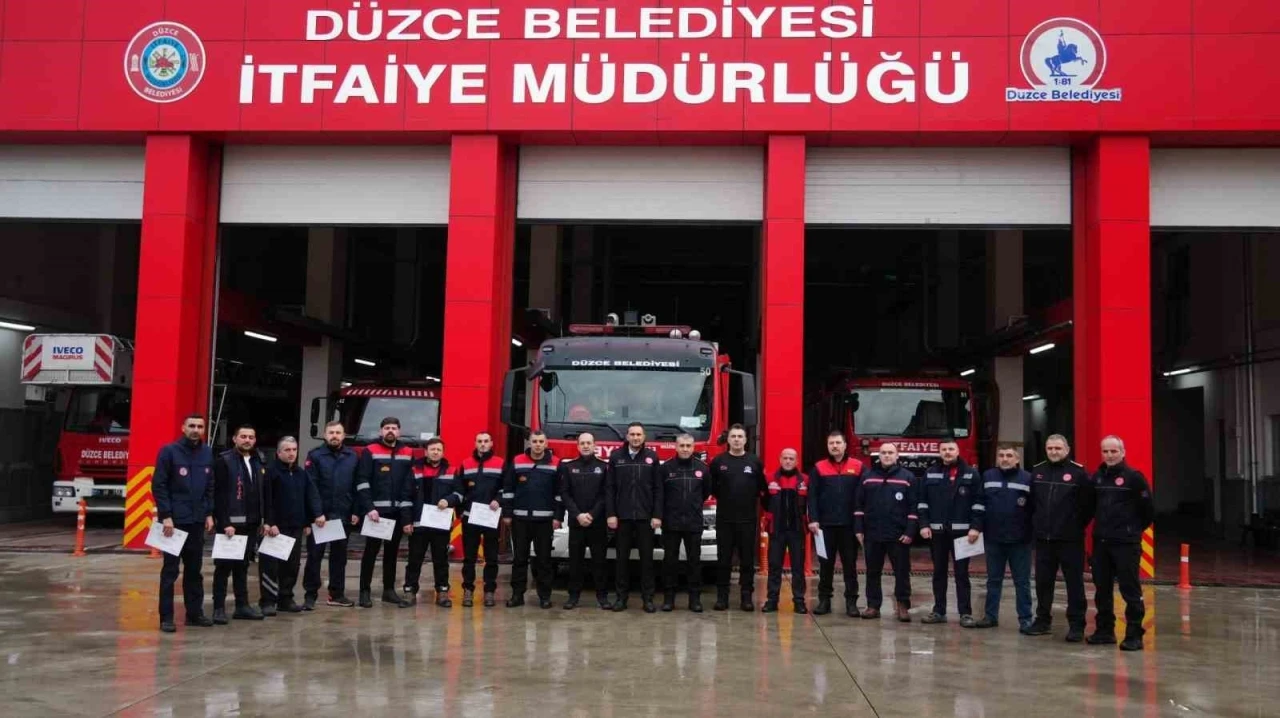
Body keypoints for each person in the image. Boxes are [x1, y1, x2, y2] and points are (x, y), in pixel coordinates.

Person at [1025, 434, 1094, 642]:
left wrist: (1073, 526)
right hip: (1044, 541)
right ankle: (1043, 621)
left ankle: (1076, 625)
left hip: (1070, 541)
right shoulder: (1037, 472)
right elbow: (1031, 505)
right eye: (1050, 448)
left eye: (1057, 448)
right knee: (1043, 583)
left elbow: (1088, 507)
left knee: (1074, 584)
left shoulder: (1079, 474)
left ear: (1067, 449)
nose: (1054, 452)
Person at [1089, 435, 1154, 651]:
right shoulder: (1097, 478)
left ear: (1123, 452)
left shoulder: (1134, 478)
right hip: (1102, 544)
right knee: (1102, 589)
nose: (1109, 455)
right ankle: (1105, 631)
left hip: (1126, 544)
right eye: (1105, 451)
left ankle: (1134, 635)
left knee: (1130, 590)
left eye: (1113, 451)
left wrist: (1131, 530)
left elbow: (1148, 511)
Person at [153, 414, 215, 633]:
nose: (196, 430)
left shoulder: (207, 452)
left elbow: (210, 485)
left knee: (194, 570)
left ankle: (194, 613)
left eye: (200, 426)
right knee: (170, 571)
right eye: (191, 426)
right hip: (174, 523)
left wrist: (208, 513)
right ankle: (166, 617)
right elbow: (159, 485)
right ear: (183, 427)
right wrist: (166, 515)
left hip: (197, 521)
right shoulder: (169, 452)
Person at [918, 439, 984, 627]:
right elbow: (922, 502)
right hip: (937, 533)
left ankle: (965, 613)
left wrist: (975, 527)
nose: (947, 452)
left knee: (962, 574)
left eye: (951, 449)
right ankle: (939, 610)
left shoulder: (971, 474)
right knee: (938, 573)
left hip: (964, 534)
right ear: (939, 452)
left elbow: (979, 503)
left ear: (958, 450)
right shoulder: (930, 473)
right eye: (944, 449)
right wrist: (923, 525)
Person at [970, 444, 1034, 630]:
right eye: (1001, 455)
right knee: (993, 580)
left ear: (1017, 459)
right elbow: (979, 503)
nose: (1005, 459)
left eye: (1009, 455)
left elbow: (1033, 509)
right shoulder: (988, 476)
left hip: (1020, 540)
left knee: (1022, 582)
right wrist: (976, 527)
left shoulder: (1028, 479)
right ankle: (990, 617)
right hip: (993, 538)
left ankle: (1025, 619)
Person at [355, 417, 416, 609]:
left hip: (396, 513)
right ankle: (364, 591)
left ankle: (388, 590)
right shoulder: (370, 451)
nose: (390, 431)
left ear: (399, 431)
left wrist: (405, 513)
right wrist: (369, 508)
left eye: (394, 428)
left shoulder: (408, 452)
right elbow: (362, 481)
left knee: (392, 553)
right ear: (381, 431)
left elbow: (409, 484)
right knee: (370, 553)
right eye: (387, 428)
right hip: (376, 514)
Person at [854, 443, 918, 622]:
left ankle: (903, 606)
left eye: (891, 453)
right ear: (878, 456)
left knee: (902, 571)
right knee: (872, 571)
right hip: (872, 534)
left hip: (898, 535)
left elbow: (914, 507)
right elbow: (859, 505)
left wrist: (910, 532)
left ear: (897, 456)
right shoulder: (867, 477)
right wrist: (859, 528)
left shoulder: (908, 477)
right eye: (883, 453)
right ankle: (873, 605)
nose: (887, 455)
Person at [261, 437, 325, 613]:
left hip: (296, 526)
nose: (291, 453)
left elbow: (308, 497)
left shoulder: (301, 473)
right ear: (279, 452)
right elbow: (267, 500)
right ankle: (267, 601)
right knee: (271, 566)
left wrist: (307, 521)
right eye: (287, 450)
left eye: (294, 450)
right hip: (276, 528)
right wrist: (270, 522)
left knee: (292, 565)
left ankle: (285, 598)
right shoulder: (271, 472)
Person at [211, 424, 267, 623]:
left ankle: (242, 606)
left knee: (243, 566)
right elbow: (218, 494)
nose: (247, 440)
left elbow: (261, 493)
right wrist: (224, 522)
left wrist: (262, 520)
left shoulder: (258, 460)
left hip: (251, 524)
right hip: (230, 526)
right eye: (243, 436)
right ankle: (218, 608)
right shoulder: (224, 461)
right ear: (234, 439)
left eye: (251, 437)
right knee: (223, 567)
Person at [502, 431, 563, 609]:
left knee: (544, 561)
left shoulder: (556, 463)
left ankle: (544, 597)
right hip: (520, 519)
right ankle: (517, 595)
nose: (537, 444)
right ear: (529, 442)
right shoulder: (517, 461)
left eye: (541, 441)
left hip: (545, 521)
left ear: (546, 443)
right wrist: (507, 513)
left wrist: (558, 517)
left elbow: (560, 494)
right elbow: (508, 489)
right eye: (534, 441)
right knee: (519, 559)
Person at [607, 422, 663, 613]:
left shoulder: (652, 458)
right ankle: (621, 598)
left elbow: (658, 489)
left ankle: (648, 599)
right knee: (621, 560)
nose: (636, 437)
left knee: (647, 560)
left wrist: (657, 515)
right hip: (622, 518)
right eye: (632, 434)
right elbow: (610, 488)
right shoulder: (616, 457)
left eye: (639, 434)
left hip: (645, 518)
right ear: (627, 436)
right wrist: (611, 514)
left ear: (644, 437)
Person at [709, 424, 766, 611]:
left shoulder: (754, 462)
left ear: (745, 439)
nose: (736, 440)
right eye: (733, 436)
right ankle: (722, 597)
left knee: (747, 561)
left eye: (740, 436)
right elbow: (713, 488)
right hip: (724, 519)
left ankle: (746, 597)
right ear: (728, 439)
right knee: (723, 560)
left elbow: (761, 489)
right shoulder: (718, 462)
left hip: (747, 520)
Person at [303, 421, 360, 609]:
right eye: (331, 432)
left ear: (344, 435)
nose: (334, 436)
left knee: (339, 558)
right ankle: (310, 595)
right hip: (321, 518)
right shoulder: (315, 456)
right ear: (324, 435)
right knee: (314, 557)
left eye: (338, 432)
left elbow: (357, 486)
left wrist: (355, 511)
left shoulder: (352, 456)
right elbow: (310, 487)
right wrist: (317, 513)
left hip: (342, 516)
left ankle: (336, 594)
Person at [807, 430, 863, 617]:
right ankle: (824, 601)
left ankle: (851, 603)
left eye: (838, 442)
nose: (835, 446)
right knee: (825, 565)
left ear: (845, 445)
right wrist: (813, 519)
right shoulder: (819, 468)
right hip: (825, 527)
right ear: (827, 446)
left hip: (849, 526)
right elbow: (812, 496)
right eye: (831, 443)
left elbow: (863, 497)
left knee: (850, 565)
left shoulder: (858, 467)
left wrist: (860, 523)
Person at [404, 437, 459, 607]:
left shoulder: (451, 470)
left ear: (443, 453)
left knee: (441, 560)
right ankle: (409, 592)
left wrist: (448, 500)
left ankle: (442, 592)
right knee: (414, 560)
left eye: (439, 450)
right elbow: (406, 497)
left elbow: (460, 494)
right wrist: (407, 521)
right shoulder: (414, 470)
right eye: (432, 449)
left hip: (440, 526)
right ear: (426, 451)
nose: (435, 452)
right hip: (419, 525)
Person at [558, 432, 610, 610]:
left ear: (594, 445)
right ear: (578, 446)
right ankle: (573, 597)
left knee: (600, 562)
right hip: (576, 522)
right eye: (582, 443)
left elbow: (605, 495)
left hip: (597, 523)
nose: (586, 446)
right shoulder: (569, 467)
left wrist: (592, 515)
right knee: (575, 562)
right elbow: (565, 493)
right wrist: (578, 514)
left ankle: (602, 597)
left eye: (589, 443)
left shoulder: (604, 467)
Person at [659, 433, 710, 613]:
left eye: (689, 446)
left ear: (693, 447)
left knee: (694, 563)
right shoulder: (665, 469)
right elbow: (660, 495)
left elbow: (705, 493)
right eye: (682, 446)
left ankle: (694, 600)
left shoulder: (703, 469)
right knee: (670, 562)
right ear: (676, 447)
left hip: (693, 523)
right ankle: (669, 599)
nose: (685, 449)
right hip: (671, 523)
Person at [460, 432, 505, 608]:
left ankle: (489, 591)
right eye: (480, 441)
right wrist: (462, 509)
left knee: (491, 557)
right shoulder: (466, 464)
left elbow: (506, 488)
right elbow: (459, 489)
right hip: (470, 517)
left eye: (486, 441)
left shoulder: (500, 463)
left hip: (490, 518)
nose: (483, 444)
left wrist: (498, 500)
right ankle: (468, 591)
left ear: (492, 443)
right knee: (469, 557)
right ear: (475, 443)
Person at [761, 448, 808, 614]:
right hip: (777, 530)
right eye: (785, 458)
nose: (788, 461)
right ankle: (772, 600)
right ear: (780, 459)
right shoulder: (769, 479)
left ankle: (799, 601)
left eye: (791, 458)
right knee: (774, 566)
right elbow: (763, 502)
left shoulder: (805, 480)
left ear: (797, 461)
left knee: (798, 568)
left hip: (797, 531)